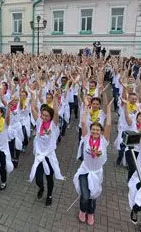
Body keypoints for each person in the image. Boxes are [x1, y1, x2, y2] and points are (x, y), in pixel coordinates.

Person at [73, 98, 113, 226]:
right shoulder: (85, 138)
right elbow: (83, 122)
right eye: (93, 129)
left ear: (101, 132)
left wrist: (108, 109)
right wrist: (86, 107)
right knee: (85, 195)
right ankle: (82, 210)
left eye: (98, 130)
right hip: (85, 170)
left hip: (96, 173)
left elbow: (108, 125)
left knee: (93, 195)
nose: (95, 131)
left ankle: (91, 213)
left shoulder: (104, 141)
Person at [29, 89, 65, 206]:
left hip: (49, 155)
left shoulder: (53, 125)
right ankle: (41, 188)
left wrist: (54, 98)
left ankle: (49, 195)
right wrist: (33, 95)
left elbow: (55, 112)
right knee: (38, 178)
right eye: (42, 114)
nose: (43, 117)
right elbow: (33, 108)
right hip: (39, 155)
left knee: (49, 177)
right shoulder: (39, 122)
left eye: (46, 115)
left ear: (50, 117)